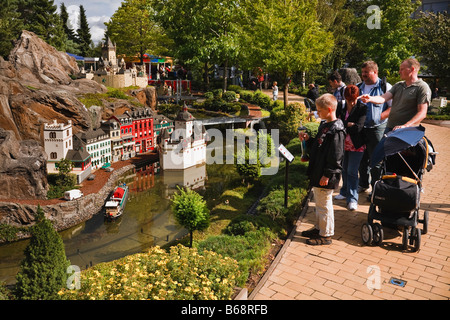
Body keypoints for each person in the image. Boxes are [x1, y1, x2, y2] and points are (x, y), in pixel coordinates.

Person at [298, 94, 345, 245]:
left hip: (326, 175)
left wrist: (327, 174)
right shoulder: (325, 125)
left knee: (325, 204)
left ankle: (326, 234)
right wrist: (308, 140)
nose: (317, 113)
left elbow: (336, 156)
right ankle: (319, 228)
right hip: (318, 171)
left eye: (319, 110)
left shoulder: (337, 130)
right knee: (319, 203)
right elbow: (319, 146)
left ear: (329, 109)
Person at [360, 58, 431, 133]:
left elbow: (422, 113)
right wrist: (370, 98)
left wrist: (406, 125)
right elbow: (383, 98)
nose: (399, 72)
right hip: (390, 128)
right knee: (382, 145)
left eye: (402, 69)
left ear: (412, 69)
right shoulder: (398, 85)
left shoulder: (422, 87)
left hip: (407, 131)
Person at [357, 61, 392, 195]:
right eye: (363, 72)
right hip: (361, 129)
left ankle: (376, 189)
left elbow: (392, 107)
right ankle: (363, 184)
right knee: (361, 158)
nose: (363, 75)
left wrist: (380, 117)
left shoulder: (385, 87)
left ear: (375, 72)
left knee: (376, 160)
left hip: (377, 129)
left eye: (367, 72)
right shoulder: (359, 87)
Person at [334, 85, 367, 211]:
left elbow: (359, 127)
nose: (352, 102)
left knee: (352, 171)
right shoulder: (340, 106)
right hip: (342, 142)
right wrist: (348, 125)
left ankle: (352, 198)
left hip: (356, 144)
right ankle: (344, 191)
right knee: (344, 169)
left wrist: (345, 125)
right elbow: (337, 124)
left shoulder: (362, 107)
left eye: (354, 99)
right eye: (349, 99)